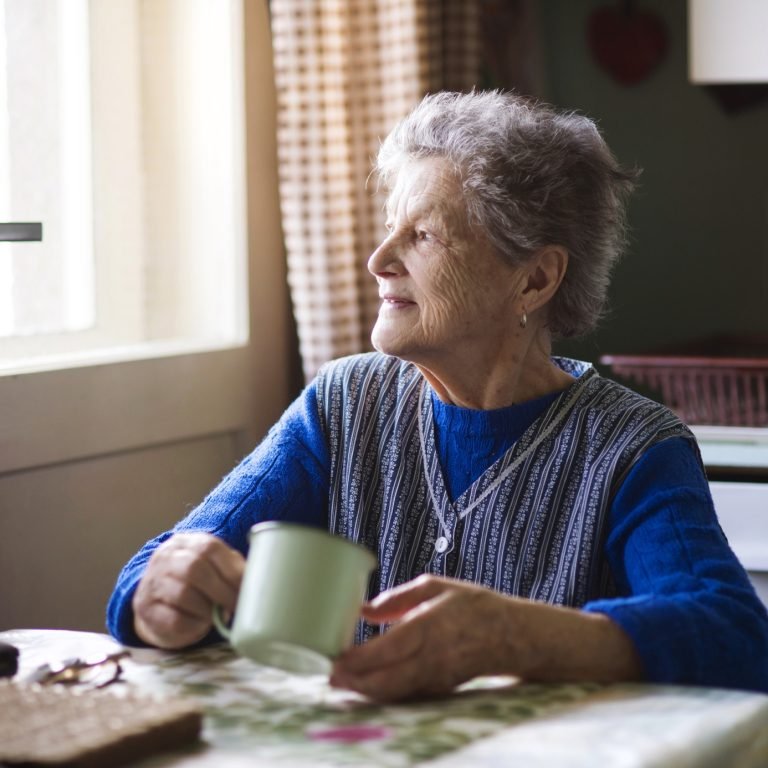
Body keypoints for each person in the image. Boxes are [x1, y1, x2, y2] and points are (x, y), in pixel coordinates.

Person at [107, 90, 768, 702]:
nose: (378, 259)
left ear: (535, 280)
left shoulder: (630, 447)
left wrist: (518, 637)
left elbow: (737, 637)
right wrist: (159, 601)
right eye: (391, 226)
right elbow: (155, 573)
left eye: (422, 235)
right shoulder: (343, 406)